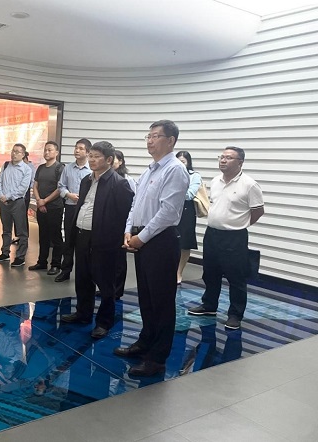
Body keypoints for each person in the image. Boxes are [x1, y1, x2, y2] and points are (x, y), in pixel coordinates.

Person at [113, 120, 189, 376]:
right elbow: (135, 205)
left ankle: (157, 359)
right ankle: (145, 342)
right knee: (146, 297)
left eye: (156, 136)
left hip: (161, 241)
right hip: (142, 238)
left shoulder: (175, 170)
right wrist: (128, 230)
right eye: (148, 136)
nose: (150, 140)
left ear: (171, 141)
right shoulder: (149, 171)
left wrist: (142, 237)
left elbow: (168, 212)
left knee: (162, 302)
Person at [60, 141, 134, 339]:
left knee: (105, 282)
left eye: (96, 156)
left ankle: (104, 322)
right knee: (82, 277)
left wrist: (117, 239)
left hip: (104, 240)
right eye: (90, 156)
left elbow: (125, 214)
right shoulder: (86, 180)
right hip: (82, 234)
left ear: (109, 160)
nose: (91, 160)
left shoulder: (119, 183)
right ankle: (83, 313)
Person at [187, 146, 264, 330]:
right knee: (210, 272)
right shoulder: (216, 181)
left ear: (240, 162)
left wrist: (239, 224)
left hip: (234, 237)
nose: (223, 160)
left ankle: (235, 315)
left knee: (236, 277)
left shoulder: (249, 184)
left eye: (228, 158)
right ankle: (209, 305)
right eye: (221, 157)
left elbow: (258, 211)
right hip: (212, 234)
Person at [54, 138, 92, 282]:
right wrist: (68, 194)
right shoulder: (68, 168)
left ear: (88, 152)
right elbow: (61, 186)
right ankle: (65, 271)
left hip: (86, 209)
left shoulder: (92, 169)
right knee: (69, 240)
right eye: (76, 147)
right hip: (70, 207)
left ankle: (84, 273)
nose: (77, 150)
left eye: (81, 148)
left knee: (84, 243)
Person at [28, 141, 65, 275]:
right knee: (43, 235)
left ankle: (56, 264)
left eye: (50, 150)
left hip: (54, 207)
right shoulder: (41, 168)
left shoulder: (60, 168)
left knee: (55, 237)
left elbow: (60, 188)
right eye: (45, 150)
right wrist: (39, 201)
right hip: (41, 206)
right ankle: (42, 262)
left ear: (56, 153)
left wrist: (45, 201)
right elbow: (35, 185)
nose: (47, 152)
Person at [0, 144, 32, 267]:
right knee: (6, 229)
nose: (14, 154)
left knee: (21, 232)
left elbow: (22, 188)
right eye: (13, 151)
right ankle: (5, 253)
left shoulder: (27, 169)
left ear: (23, 154)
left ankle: (20, 257)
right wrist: (1, 195)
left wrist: (8, 196)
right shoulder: (5, 165)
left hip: (17, 203)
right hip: (4, 203)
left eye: (17, 152)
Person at [175, 151, 202, 285]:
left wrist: (173, 192)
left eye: (183, 162)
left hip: (186, 212)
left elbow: (190, 194)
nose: (180, 164)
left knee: (185, 243)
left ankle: (179, 272)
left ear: (188, 163)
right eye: (178, 161)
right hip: (172, 210)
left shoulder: (194, 176)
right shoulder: (170, 174)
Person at [112, 149, 136, 299]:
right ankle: (108, 287)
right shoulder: (105, 178)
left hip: (122, 223)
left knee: (119, 259)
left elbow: (134, 203)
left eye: (114, 159)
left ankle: (117, 290)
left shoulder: (127, 180)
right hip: (108, 224)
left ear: (120, 162)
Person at [11, 151, 36, 245]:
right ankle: (18, 235)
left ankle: (23, 237)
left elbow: (32, 182)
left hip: (24, 193)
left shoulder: (30, 167)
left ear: (23, 156)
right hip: (16, 193)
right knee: (16, 215)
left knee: (22, 215)